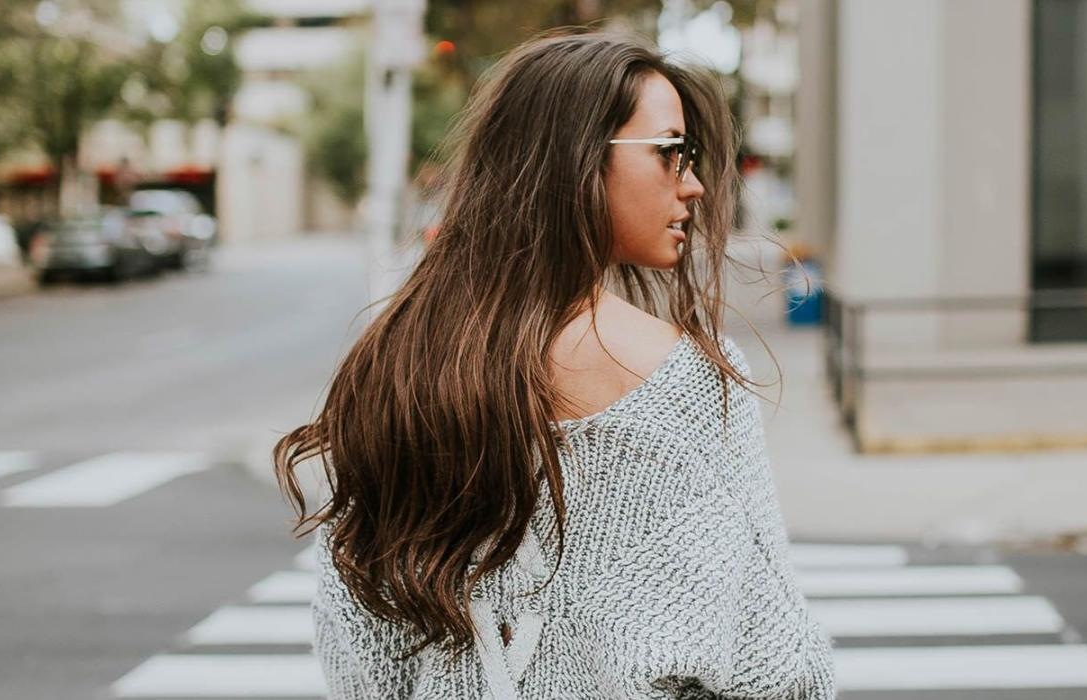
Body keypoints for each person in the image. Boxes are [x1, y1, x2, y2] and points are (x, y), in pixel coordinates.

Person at [273, 29, 835, 699]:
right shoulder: (682, 383)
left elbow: (358, 647)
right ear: (579, 160)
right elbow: (775, 666)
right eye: (671, 153)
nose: (695, 187)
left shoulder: (398, 368)